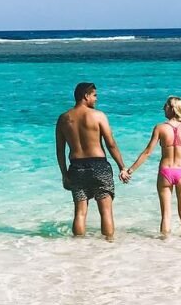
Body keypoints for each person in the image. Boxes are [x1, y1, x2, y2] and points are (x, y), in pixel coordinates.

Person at [55, 82, 129, 239]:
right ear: (86, 96)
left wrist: (64, 173)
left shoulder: (63, 119)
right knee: (106, 212)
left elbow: (60, 150)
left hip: (76, 168)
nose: (96, 99)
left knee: (80, 213)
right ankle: (109, 245)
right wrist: (122, 166)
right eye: (94, 95)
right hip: (99, 166)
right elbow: (111, 144)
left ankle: (79, 247)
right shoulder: (98, 116)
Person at [122, 96, 181, 236]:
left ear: (172, 108)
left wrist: (130, 170)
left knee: (166, 215)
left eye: (165, 106)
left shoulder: (160, 128)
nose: (163, 108)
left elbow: (147, 152)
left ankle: (164, 246)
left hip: (165, 172)